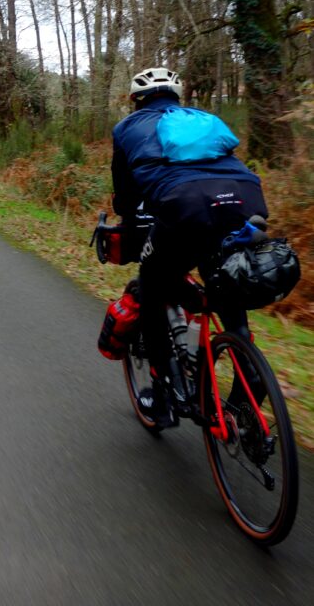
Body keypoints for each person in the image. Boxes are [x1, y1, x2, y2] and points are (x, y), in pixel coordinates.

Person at [111, 66, 268, 427]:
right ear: (177, 97)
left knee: (151, 284)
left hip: (184, 208)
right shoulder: (203, 119)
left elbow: (126, 193)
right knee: (224, 281)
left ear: (135, 100)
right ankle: (248, 372)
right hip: (245, 201)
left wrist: (130, 221)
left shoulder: (127, 128)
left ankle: (162, 394)